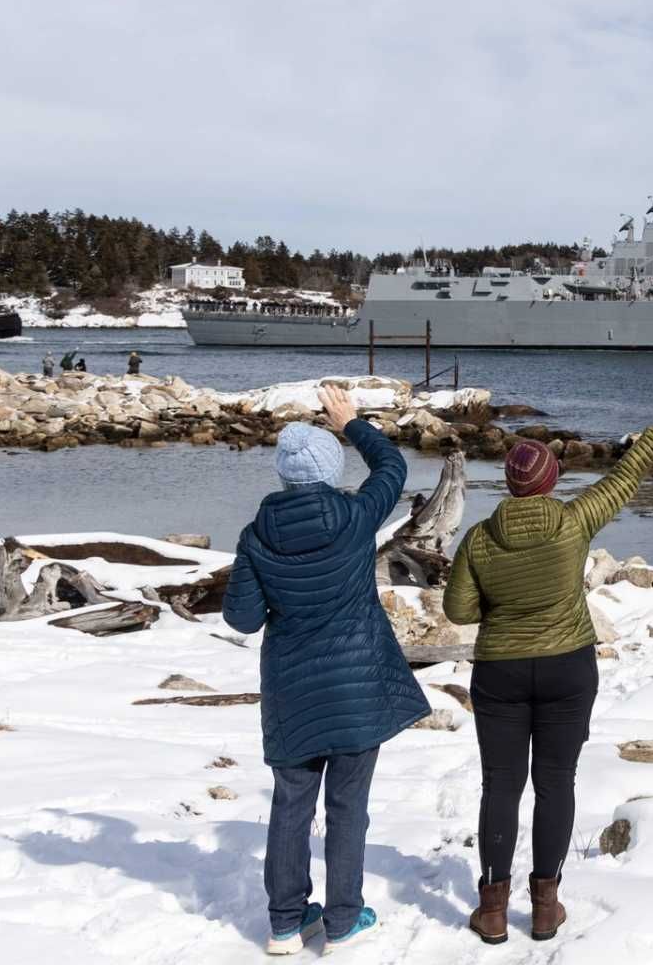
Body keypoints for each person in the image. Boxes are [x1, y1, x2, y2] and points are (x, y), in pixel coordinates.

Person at [444, 391, 653, 945]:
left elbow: (458, 610)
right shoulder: (572, 521)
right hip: (567, 669)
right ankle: (544, 905)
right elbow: (625, 478)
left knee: (500, 785)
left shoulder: (480, 539)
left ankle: (491, 911)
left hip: (500, 674)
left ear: (511, 486)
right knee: (556, 782)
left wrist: (503, 607)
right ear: (551, 482)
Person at [221, 385, 428, 956]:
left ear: (283, 475)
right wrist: (352, 423)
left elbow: (240, 618)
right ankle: (341, 920)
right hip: (358, 684)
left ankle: (286, 923)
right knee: (348, 806)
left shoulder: (255, 535)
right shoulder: (357, 515)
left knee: (291, 802)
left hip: (292, 688)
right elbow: (393, 465)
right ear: (330, 468)